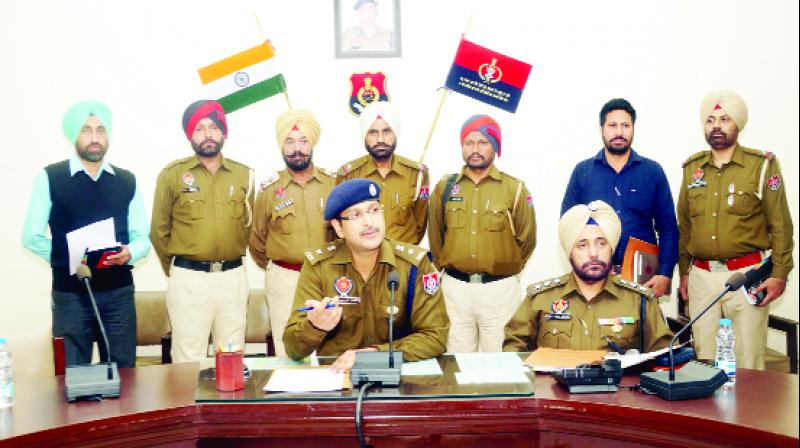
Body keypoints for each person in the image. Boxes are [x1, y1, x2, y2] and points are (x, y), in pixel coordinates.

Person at [22, 100, 150, 368]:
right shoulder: (50, 177)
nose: (95, 138)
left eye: (101, 130)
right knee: (72, 376)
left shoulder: (127, 181)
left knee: (124, 374)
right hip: (71, 295)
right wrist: (67, 258)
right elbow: (31, 236)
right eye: (86, 130)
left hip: (118, 294)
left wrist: (131, 252)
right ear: (72, 135)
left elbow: (142, 238)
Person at [677, 90, 794, 370]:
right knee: (703, 362)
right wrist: (684, 273)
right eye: (710, 120)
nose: (716, 126)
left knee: (748, 364)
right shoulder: (692, 169)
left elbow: (780, 225)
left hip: (745, 277)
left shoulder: (761, 165)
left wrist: (779, 274)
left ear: (737, 124)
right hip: (701, 279)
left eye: (724, 119)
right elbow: (685, 226)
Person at [283, 179, 449, 372]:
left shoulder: (414, 264)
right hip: (339, 378)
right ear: (338, 228)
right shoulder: (319, 266)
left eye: (374, 210)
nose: (369, 222)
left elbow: (436, 335)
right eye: (355, 215)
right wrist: (315, 326)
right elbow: (293, 349)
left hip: (399, 375)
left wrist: (375, 354)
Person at [150, 100, 254, 363]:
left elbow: (250, 228)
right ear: (189, 135)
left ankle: (228, 407)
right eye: (199, 128)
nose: (207, 135)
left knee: (231, 357)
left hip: (232, 278)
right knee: (188, 359)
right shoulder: (172, 175)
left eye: (213, 127)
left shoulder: (244, 175)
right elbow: (159, 231)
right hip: (189, 279)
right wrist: (177, 270)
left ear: (224, 133)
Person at [428, 114, 536, 353]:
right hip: (455, 291)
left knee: (499, 365)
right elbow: (436, 236)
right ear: (462, 146)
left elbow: (527, 240)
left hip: (499, 292)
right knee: (455, 364)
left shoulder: (515, 189)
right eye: (469, 142)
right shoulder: (444, 187)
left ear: (495, 146)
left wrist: (505, 267)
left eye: (483, 142)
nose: (475, 149)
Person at [504, 201, 672, 353]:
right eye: (582, 245)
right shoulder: (540, 299)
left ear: (611, 249)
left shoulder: (639, 301)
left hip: (620, 387)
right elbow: (513, 350)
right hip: (555, 387)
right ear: (569, 252)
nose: (593, 254)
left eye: (601, 244)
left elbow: (666, 356)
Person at [561, 98, 678, 298]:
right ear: (601, 129)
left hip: (643, 277)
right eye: (612, 125)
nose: (619, 132)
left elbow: (668, 228)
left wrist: (665, 273)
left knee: (640, 329)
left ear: (633, 128)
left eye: (625, 125)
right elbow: (568, 227)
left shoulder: (652, 172)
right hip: (594, 274)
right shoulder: (583, 172)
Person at [249, 109, 336, 357]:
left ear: (313, 143)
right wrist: (280, 266)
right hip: (284, 279)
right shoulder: (269, 189)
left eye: (303, 141)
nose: (296, 148)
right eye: (289, 141)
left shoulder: (333, 183)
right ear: (281, 146)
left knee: (328, 346)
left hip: (326, 278)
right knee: (287, 347)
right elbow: (257, 241)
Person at [337, 101, 429, 244]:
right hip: (364, 260)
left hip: (403, 260)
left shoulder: (417, 174)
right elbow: (343, 224)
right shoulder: (348, 175)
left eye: (387, 131)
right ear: (365, 136)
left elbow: (420, 223)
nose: (380, 139)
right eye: (373, 132)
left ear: (395, 133)